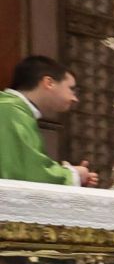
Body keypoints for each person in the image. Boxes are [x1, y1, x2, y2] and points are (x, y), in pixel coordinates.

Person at [0, 57, 96, 185]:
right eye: (72, 89)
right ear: (49, 83)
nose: (75, 98)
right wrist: (73, 175)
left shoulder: (14, 109)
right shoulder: (10, 110)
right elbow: (27, 173)